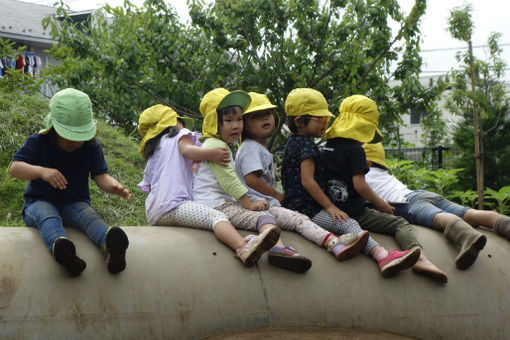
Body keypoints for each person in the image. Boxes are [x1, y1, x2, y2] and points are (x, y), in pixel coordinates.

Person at [281, 88, 422, 278]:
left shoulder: (293, 142)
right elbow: (308, 181)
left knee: (347, 222)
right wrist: (330, 207)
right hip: (309, 210)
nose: (325, 123)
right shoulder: (307, 147)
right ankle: (381, 255)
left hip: (298, 206)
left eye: (327, 119)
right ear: (299, 121)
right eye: (320, 119)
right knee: (348, 223)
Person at [319, 94, 447, 282]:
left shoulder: (326, 146)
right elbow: (359, 185)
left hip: (331, 212)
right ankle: (420, 258)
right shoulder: (355, 150)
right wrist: (382, 205)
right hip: (355, 212)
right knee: (400, 224)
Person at [137, 104, 279, 267]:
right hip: (175, 205)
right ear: (175, 123)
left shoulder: (153, 152)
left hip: (153, 212)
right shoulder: (181, 135)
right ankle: (243, 247)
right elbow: (186, 150)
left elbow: (146, 185)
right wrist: (210, 154)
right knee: (216, 217)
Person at [235, 91, 369, 263]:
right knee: (299, 221)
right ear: (244, 125)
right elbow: (251, 179)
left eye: (268, 114)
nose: (265, 119)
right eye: (257, 116)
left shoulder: (270, 146)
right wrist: (276, 195)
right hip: (260, 203)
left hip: (267, 203)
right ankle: (332, 243)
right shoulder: (251, 148)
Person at [10, 88, 130, 277]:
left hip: (74, 203)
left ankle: (111, 246)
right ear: (54, 128)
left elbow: (101, 176)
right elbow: (15, 168)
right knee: (47, 215)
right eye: (69, 137)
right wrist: (42, 171)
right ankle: (63, 251)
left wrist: (114, 186)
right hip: (39, 202)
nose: (75, 143)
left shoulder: (91, 146)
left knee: (89, 216)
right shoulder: (39, 141)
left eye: (80, 137)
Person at [193, 88, 310, 273]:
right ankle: (278, 248)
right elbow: (229, 181)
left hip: (220, 203)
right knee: (264, 217)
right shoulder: (217, 147)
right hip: (217, 205)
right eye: (228, 121)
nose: (236, 126)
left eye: (239, 119)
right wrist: (249, 203)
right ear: (214, 123)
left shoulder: (221, 145)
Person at [363, 142, 510, 269]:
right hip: (421, 194)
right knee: (469, 214)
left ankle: (467, 236)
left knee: (437, 217)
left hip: (408, 204)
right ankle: (504, 224)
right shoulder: (383, 173)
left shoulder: (363, 176)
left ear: (368, 162)